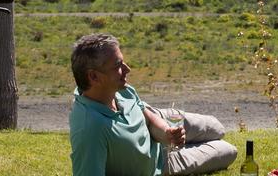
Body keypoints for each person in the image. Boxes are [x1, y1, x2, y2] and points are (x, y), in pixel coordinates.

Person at [69, 33, 238, 176]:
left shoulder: (120, 89)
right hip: (163, 162)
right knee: (228, 151)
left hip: (160, 119)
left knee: (217, 127)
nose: (127, 69)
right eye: (118, 66)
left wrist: (167, 133)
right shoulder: (90, 128)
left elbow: (147, 117)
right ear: (93, 77)